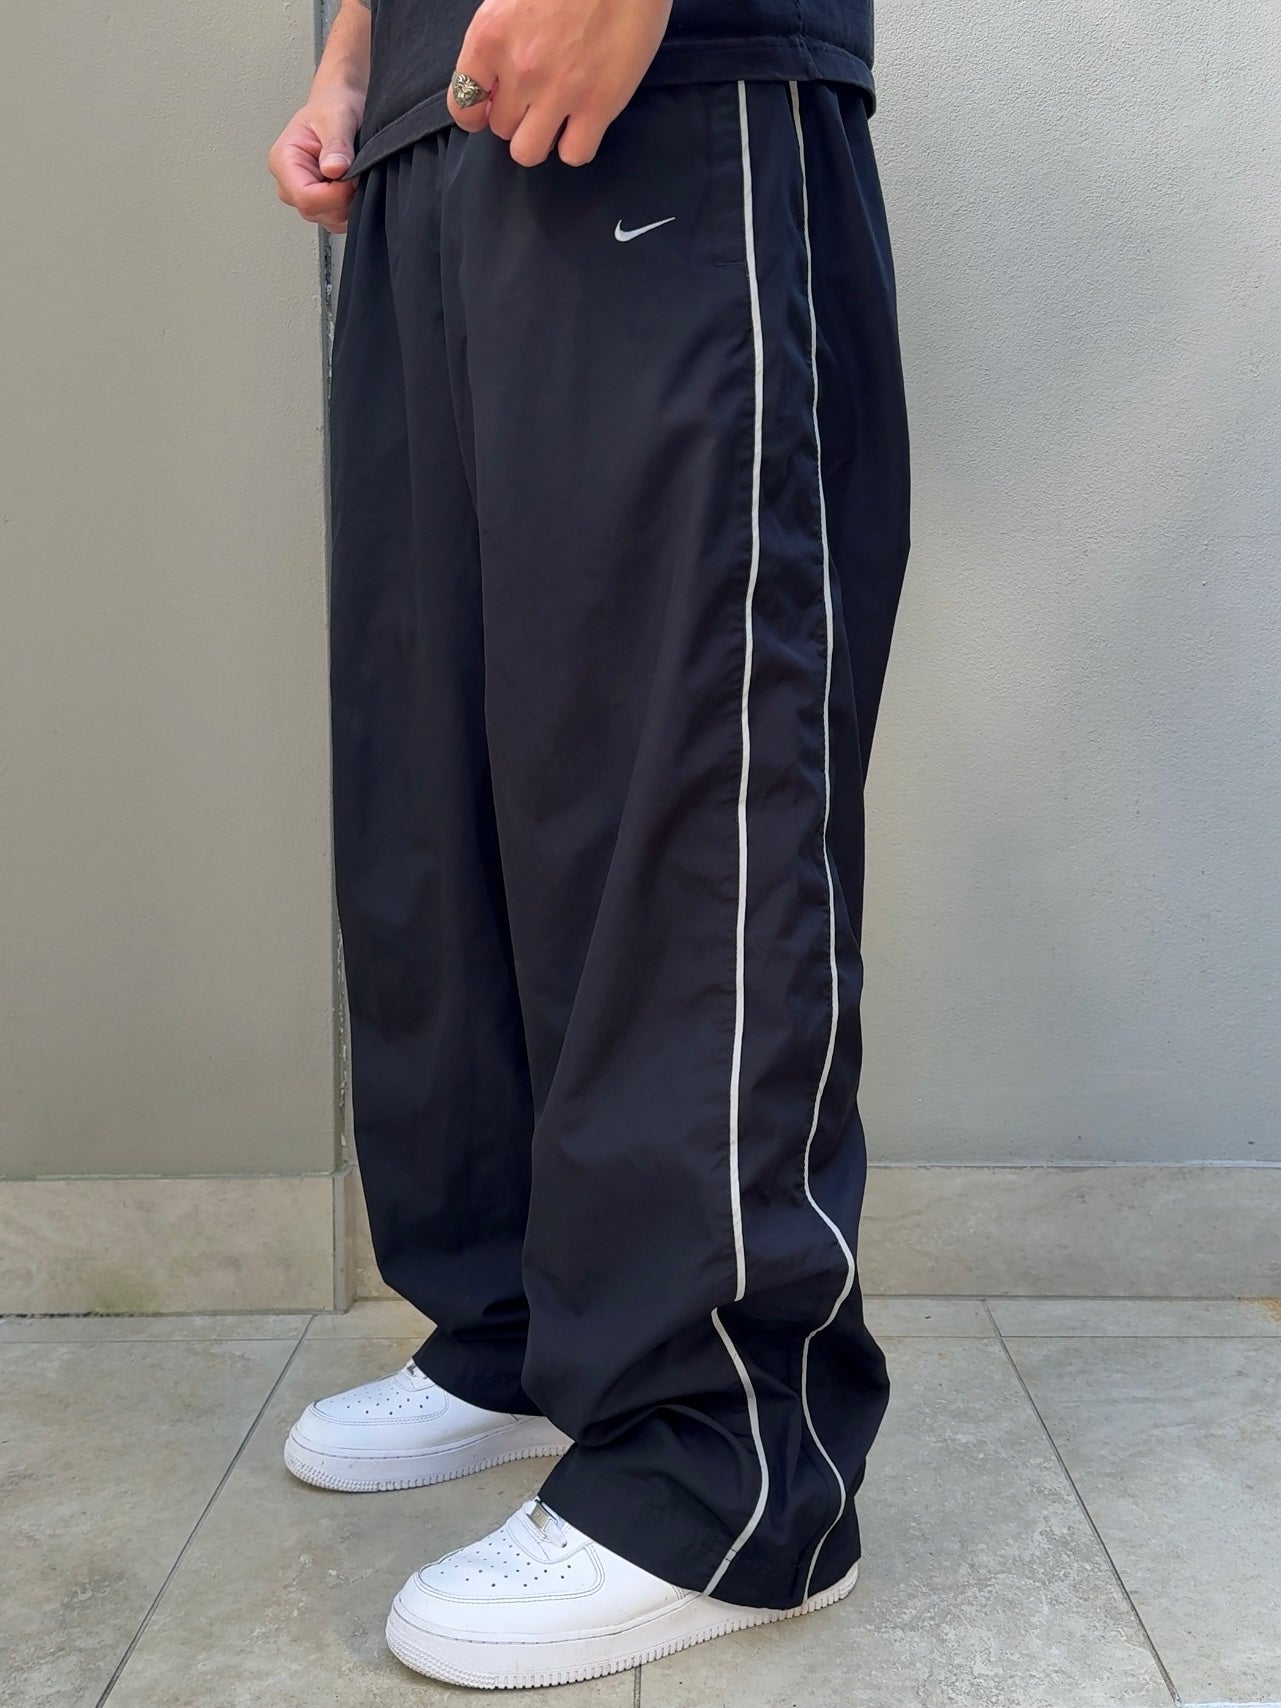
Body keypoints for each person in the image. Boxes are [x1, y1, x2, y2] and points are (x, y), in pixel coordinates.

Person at [268, 0, 910, 1688]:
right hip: (432, 118)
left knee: (672, 765)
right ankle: (516, 1332)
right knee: (444, 776)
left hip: (663, 70)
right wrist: (355, 58)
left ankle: (727, 1466)